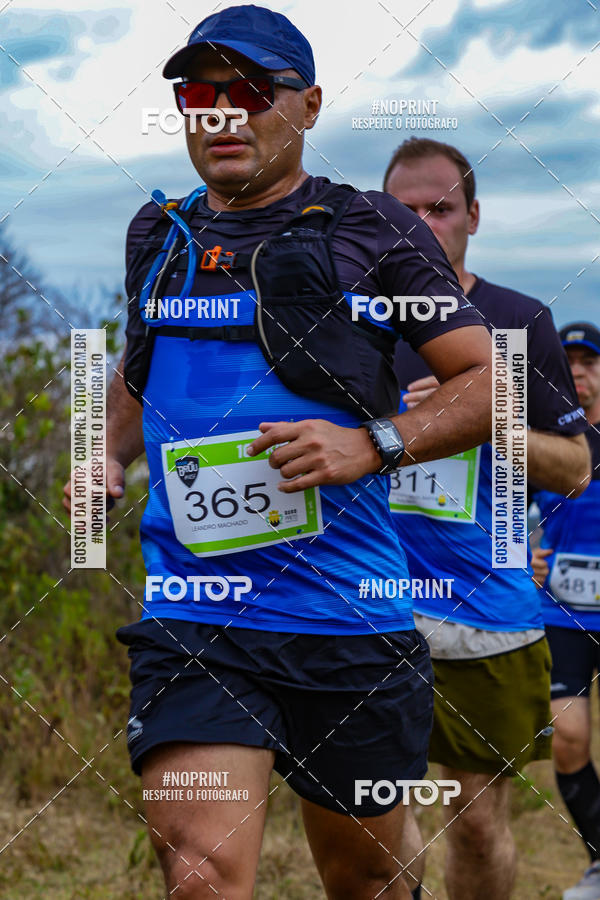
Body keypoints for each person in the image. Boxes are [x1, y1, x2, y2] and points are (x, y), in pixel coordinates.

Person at [63, 11, 494, 900]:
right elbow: (137, 375)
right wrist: (98, 456)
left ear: (308, 105)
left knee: (367, 876)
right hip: (199, 614)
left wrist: (373, 443)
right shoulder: (159, 233)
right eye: (199, 94)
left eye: (251, 92)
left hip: (349, 621)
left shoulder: (373, 229)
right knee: (201, 873)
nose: (222, 114)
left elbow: (491, 384)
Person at [384, 137, 591, 900]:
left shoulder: (516, 319)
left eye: (440, 208)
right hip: (368, 604)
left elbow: (574, 469)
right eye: (403, 212)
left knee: (473, 817)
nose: (422, 224)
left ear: (474, 215)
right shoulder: (350, 324)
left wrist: (480, 414)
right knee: (380, 814)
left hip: (485, 609)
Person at [530, 322, 600, 900]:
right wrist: (517, 552)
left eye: (590, 361)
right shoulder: (545, 436)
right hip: (565, 612)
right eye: (570, 361)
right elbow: (503, 510)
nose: (578, 371)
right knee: (569, 737)